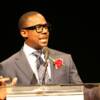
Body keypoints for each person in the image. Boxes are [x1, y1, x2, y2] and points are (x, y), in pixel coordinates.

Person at [0, 11, 82, 86]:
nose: (45, 31)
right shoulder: (8, 66)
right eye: (38, 27)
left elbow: (81, 92)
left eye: (46, 27)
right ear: (24, 33)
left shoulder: (66, 59)